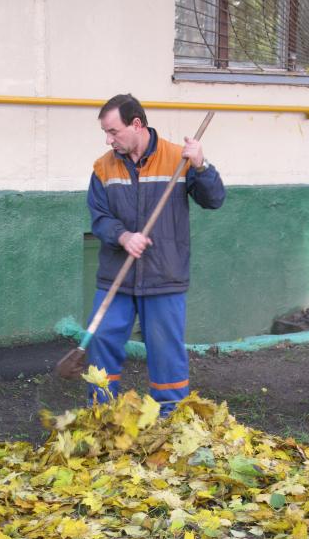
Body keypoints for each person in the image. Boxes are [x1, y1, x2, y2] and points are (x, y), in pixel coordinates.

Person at [86, 94, 225, 416]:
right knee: (101, 340)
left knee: (166, 352)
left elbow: (215, 200)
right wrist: (122, 236)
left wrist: (201, 166)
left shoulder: (179, 158)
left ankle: (170, 421)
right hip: (115, 277)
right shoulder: (103, 168)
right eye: (105, 133)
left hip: (164, 274)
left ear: (136, 124)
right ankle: (102, 415)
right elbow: (99, 217)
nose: (109, 140)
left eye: (113, 131)